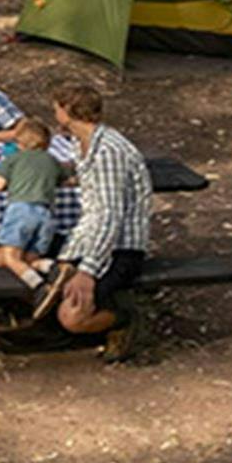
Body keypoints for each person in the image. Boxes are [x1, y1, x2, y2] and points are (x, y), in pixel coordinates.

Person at [33, 79, 153, 359]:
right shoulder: (80, 142)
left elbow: (110, 217)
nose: (55, 115)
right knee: (32, 257)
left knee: (72, 315)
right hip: (87, 235)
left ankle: (123, 320)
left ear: (67, 111)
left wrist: (88, 270)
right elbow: (85, 179)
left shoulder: (109, 151)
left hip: (119, 247)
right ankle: (54, 322)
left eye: (57, 109)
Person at [0, 118, 68, 289]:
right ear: (47, 143)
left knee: (10, 256)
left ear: (19, 143)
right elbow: (67, 181)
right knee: (29, 258)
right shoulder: (52, 161)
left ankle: (36, 285)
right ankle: (47, 266)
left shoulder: (13, 159)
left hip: (21, 211)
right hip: (46, 214)